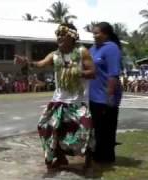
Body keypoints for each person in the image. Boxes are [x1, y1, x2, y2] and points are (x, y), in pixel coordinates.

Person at [15, 23, 95, 171]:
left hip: (78, 101)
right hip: (58, 100)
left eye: (62, 34)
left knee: (84, 130)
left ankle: (88, 160)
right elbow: (40, 64)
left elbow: (92, 73)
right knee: (45, 126)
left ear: (72, 36)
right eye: (57, 34)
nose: (58, 37)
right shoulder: (55, 55)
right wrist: (27, 62)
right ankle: (60, 158)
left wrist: (77, 72)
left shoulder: (82, 51)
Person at [89, 22, 123, 164]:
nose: (94, 36)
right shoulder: (92, 49)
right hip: (92, 96)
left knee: (106, 130)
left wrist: (109, 95)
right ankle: (97, 156)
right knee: (96, 129)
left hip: (105, 97)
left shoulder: (111, 49)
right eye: (93, 33)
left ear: (106, 34)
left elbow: (113, 74)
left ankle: (107, 159)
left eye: (97, 33)